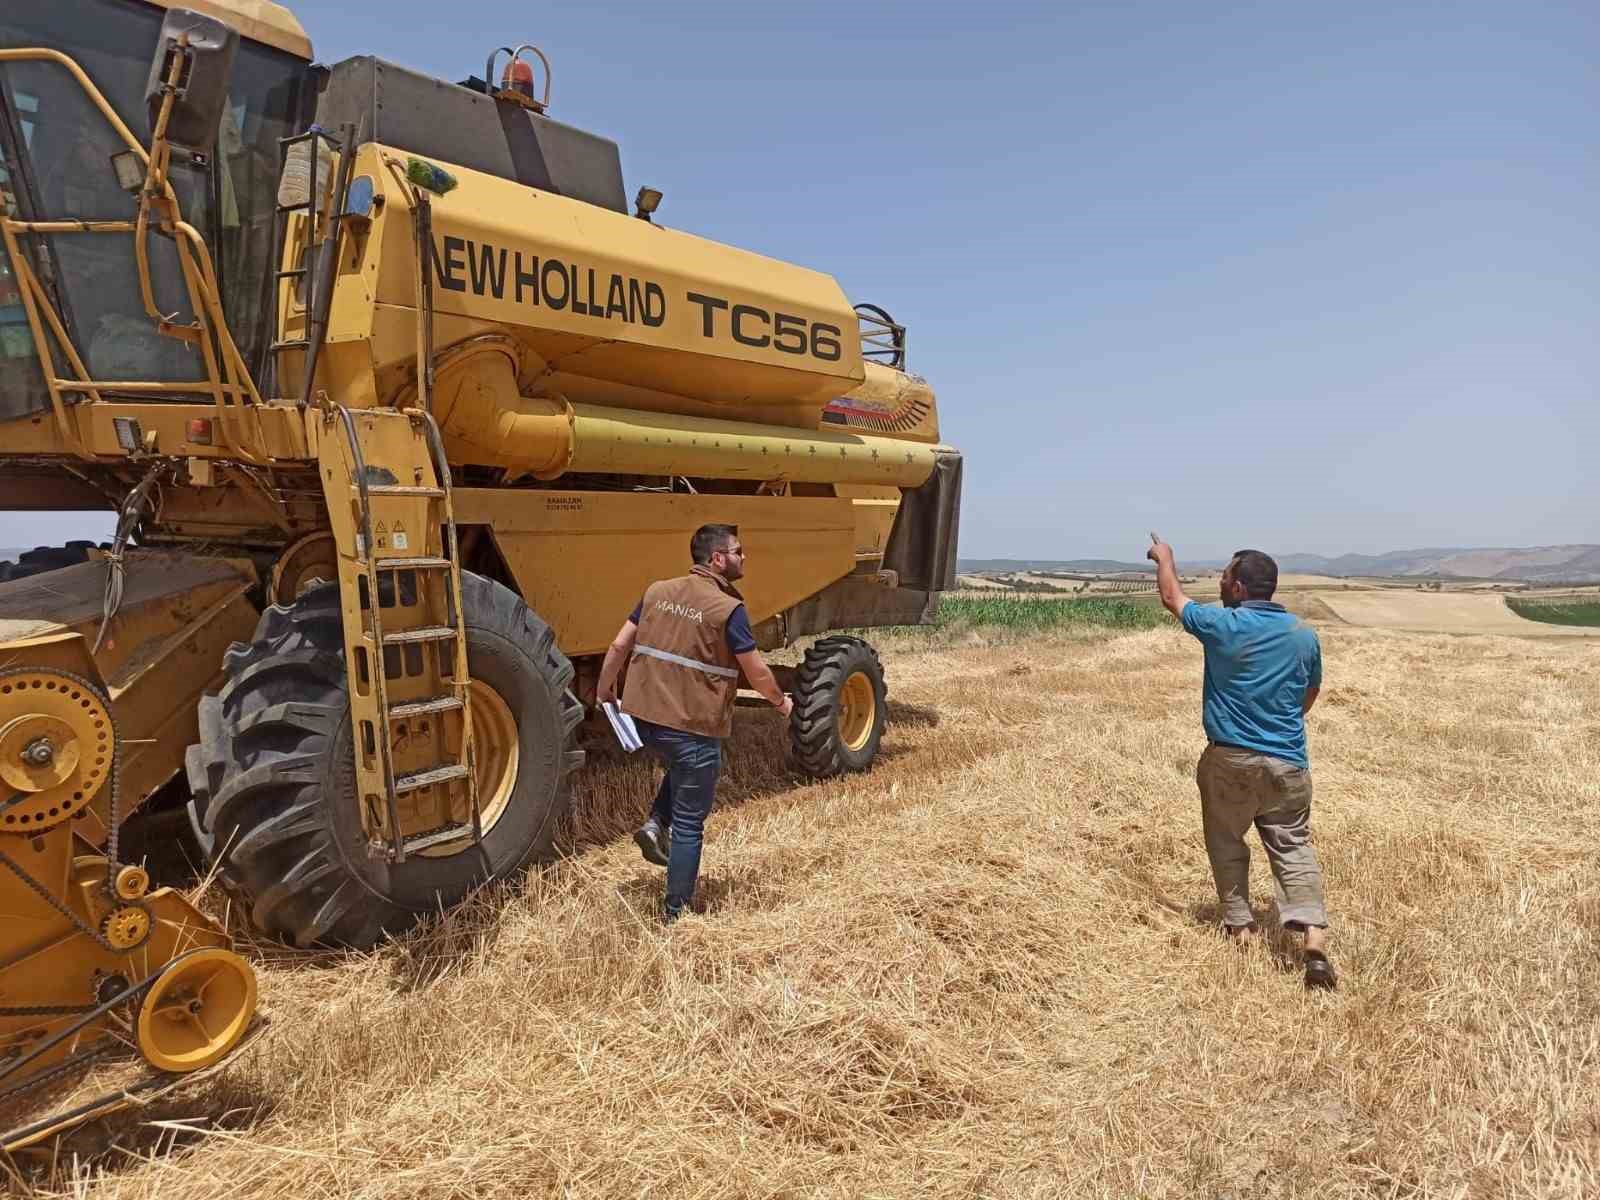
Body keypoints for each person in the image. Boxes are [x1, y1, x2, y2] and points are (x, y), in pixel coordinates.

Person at [1147, 535, 1337, 990]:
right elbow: (1308, 698)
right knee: (1293, 848)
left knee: (1226, 839)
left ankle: (1241, 924)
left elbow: (1172, 597)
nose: (1219, 580)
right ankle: (1313, 940)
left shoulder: (1223, 625)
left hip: (1229, 758)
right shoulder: (1302, 635)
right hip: (1288, 764)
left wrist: (1166, 558)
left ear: (1238, 589)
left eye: (1225, 575)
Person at [596, 524, 794, 922]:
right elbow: (755, 672)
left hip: (646, 718)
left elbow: (620, 644)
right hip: (691, 723)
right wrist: (782, 702)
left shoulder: (657, 591)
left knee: (683, 768)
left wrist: (604, 692)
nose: (744, 558)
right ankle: (677, 913)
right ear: (718, 559)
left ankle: (654, 825)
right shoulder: (728, 609)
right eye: (738, 551)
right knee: (690, 822)